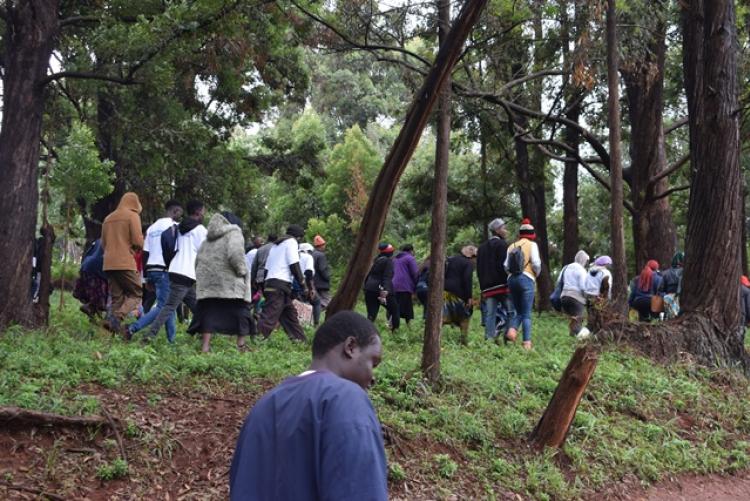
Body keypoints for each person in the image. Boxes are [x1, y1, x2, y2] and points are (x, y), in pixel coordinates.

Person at [229, 311, 387, 501]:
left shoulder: (264, 405)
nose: (373, 378)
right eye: (373, 362)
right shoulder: (347, 398)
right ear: (351, 347)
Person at [141, 200, 207, 343]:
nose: (204, 214)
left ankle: (203, 332)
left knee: (197, 305)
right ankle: (149, 336)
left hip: (176, 271)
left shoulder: (178, 228)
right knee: (168, 307)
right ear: (198, 212)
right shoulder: (200, 230)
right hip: (185, 273)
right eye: (203, 211)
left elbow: (167, 245)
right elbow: (206, 253)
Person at [189, 212, 254, 353]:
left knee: (209, 312)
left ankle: (205, 347)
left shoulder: (207, 240)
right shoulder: (234, 233)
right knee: (241, 311)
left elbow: (197, 261)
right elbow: (235, 254)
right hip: (229, 282)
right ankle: (241, 345)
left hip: (209, 284)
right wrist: (242, 271)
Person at [127, 200, 183, 342]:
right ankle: (132, 328)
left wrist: (146, 277)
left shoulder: (152, 228)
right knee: (164, 306)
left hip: (152, 269)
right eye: (180, 214)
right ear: (175, 211)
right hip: (164, 270)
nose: (180, 217)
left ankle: (172, 340)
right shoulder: (174, 226)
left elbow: (145, 253)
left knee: (168, 305)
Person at [258, 225, 310, 341]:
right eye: (300, 238)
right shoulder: (291, 242)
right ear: (297, 237)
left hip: (273, 284)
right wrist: (304, 285)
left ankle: (300, 340)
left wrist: (264, 287)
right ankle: (257, 339)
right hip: (280, 285)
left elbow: (266, 269)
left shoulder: (276, 246)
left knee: (289, 316)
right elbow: (294, 265)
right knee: (269, 316)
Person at [101, 192, 144, 335]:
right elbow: (138, 241)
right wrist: (136, 248)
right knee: (136, 293)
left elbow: (103, 244)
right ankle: (117, 317)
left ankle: (110, 333)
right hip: (125, 262)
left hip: (108, 263)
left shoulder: (108, 218)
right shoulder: (132, 216)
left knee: (117, 298)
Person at [504, 218, 542, 350]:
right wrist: (535, 274)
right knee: (526, 314)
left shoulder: (511, 246)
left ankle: (512, 330)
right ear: (532, 234)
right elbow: (536, 263)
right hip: (526, 279)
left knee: (518, 311)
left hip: (511, 280)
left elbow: (505, 266)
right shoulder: (532, 245)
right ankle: (527, 344)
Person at [476, 218, 513, 342]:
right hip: (502, 285)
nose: (505, 230)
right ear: (497, 230)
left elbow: (479, 269)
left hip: (487, 287)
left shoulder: (481, 248)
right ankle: (507, 338)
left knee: (490, 314)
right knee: (510, 312)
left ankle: (489, 338)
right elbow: (505, 266)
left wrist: (482, 287)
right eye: (503, 228)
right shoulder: (503, 245)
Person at [443, 245, 477, 345]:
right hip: (458, 293)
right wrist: (469, 297)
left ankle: (435, 339)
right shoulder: (468, 263)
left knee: (443, 316)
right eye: (475, 257)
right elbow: (467, 280)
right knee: (465, 316)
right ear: (471, 256)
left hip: (445, 291)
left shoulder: (451, 259)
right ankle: (463, 341)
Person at [363, 243, 399, 331]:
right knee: (394, 309)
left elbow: (369, 275)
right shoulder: (388, 261)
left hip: (369, 289)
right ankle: (395, 330)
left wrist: (366, 286)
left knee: (371, 314)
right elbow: (387, 276)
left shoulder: (376, 260)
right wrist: (385, 290)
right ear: (391, 253)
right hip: (380, 289)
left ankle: (366, 331)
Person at [73, 239, 109, 319]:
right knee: (99, 298)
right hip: (98, 270)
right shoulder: (115, 242)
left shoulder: (100, 239)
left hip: (86, 266)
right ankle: (90, 307)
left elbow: (88, 252)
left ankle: (94, 317)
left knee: (91, 296)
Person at [559, 250, 590, 337]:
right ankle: (583, 341)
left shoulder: (565, 268)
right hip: (576, 299)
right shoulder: (581, 270)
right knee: (578, 322)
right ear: (583, 260)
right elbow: (583, 287)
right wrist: (588, 298)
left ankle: (571, 341)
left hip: (564, 298)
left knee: (573, 321)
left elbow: (559, 281)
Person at [392, 244, 419, 327]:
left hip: (394, 285)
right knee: (403, 307)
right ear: (411, 251)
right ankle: (392, 325)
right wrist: (416, 285)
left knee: (401, 307)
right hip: (405, 286)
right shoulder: (410, 258)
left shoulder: (395, 259)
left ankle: (407, 326)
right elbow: (415, 273)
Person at [311, 235, 331, 326]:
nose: (324, 246)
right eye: (324, 245)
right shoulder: (321, 255)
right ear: (321, 245)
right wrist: (328, 277)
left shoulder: (312, 254)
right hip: (322, 283)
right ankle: (313, 314)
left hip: (313, 283)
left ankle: (312, 315)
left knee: (316, 301)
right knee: (327, 302)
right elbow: (322, 269)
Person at [658, 252, 684, 319]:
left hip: (669, 298)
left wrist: (665, 296)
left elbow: (660, 289)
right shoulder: (686, 272)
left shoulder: (665, 273)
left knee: (669, 318)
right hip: (683, 299)